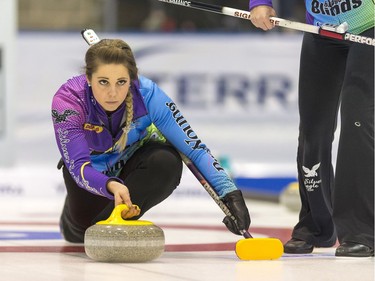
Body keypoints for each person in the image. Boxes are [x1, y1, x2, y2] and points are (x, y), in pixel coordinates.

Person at [51, 37, 250, 243]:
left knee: (166, 160)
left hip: (130, 168)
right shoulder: (68, 101)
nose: (112, 93)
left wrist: (231, 194)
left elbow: (195, 149)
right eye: (103, 82)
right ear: (88, 78)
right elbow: (78, 167)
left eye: (121, 82)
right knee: (80, 233)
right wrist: (111, 185)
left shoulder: (148, 94)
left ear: (132, 79)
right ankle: (80, 224)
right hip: (90, 177)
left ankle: (112, 226)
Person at [249, 1, 374, 257]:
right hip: (321, 31)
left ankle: (362, 231)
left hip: (369, 27)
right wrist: (260, 3)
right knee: (312, 127)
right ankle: (316, 226)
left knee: (357, 122)